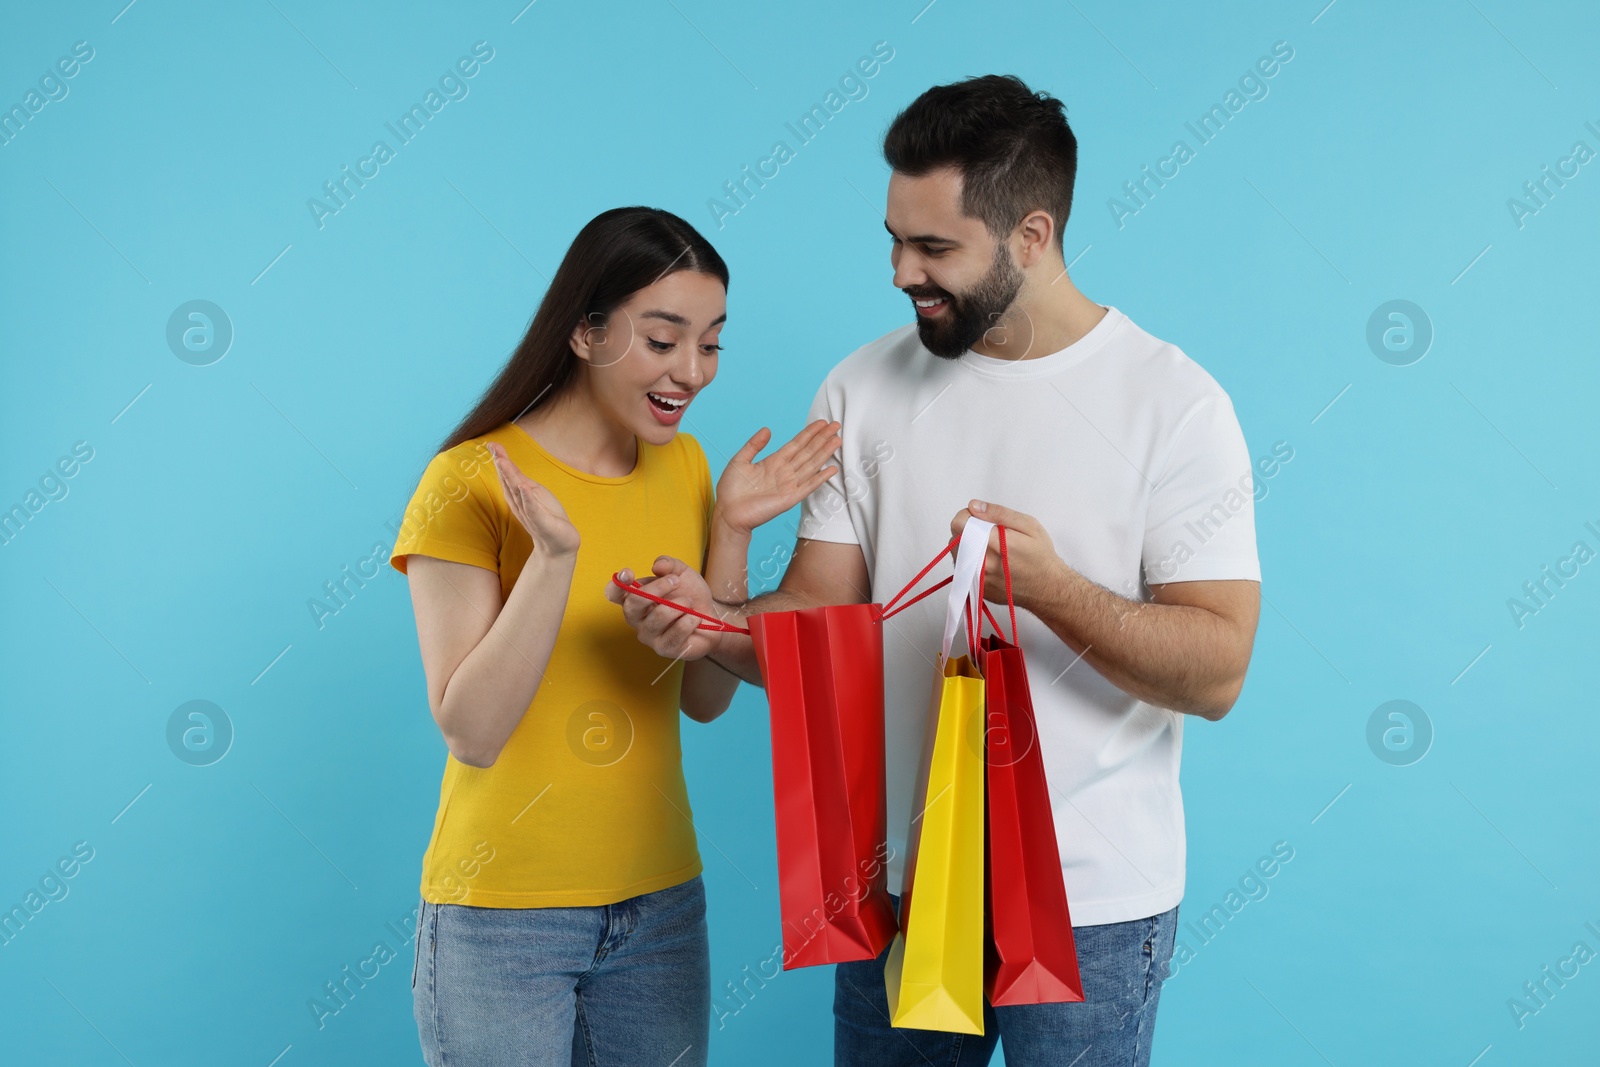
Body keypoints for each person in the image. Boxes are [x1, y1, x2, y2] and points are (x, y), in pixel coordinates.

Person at [608, 77, 1262, 1066]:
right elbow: (812, 625)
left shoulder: (1172, 404)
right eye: (893, 239)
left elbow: (1216, 671)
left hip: (1092, 902)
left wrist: (1052, 588)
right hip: (901, 887)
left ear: (1031, 236)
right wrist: (711, 620)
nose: (900, 271)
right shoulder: (860, 386)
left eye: (934, 248)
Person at [389, 205, 842, 1067]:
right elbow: (471, 729)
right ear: (586, 331)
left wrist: (733, 534)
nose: (693, 371)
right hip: (501, 919)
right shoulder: (468, 481)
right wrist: (554, 558)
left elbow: (706, 700)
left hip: (662, 907)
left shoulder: (687, 465)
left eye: (711, 342)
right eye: (663, 339)